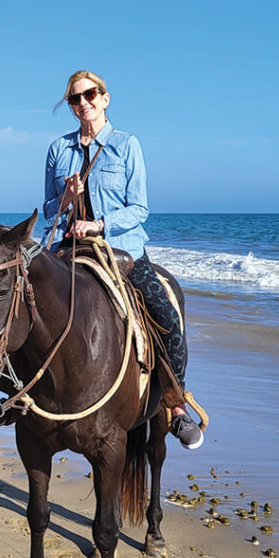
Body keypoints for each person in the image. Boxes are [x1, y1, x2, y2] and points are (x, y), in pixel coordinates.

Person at [41, 69, 203, 449]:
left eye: (90, 95)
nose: (83, 103)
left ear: (105, 98)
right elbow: (49, 211)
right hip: (68, 249)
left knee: (165, 315)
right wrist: (65, 200)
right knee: (26, 305)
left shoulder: (127, 145)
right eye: (75, 98)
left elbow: (139, 208)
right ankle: (13, 397)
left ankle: (175, 405)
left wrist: (98, 224)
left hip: (122, 249)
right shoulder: (57, 150)